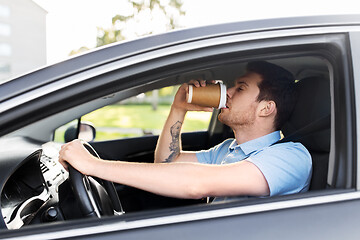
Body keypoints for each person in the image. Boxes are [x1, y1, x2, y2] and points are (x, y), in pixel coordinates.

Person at [58, 61, 312, 201]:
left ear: (266, 108)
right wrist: (179, 108)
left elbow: (195, 183)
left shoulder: (291, 157)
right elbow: (167, 163)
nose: (229, 93)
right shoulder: (228, 150)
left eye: (241, 88)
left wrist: (93, 165)